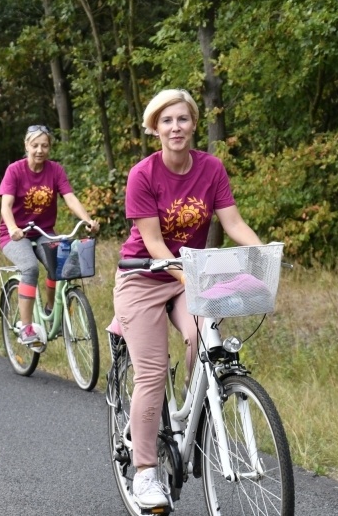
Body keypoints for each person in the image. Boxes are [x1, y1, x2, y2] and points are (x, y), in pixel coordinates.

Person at [112, 89, 263, 509]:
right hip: (144, 275)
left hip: (188, 276)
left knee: (205, 340)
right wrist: (190, 276)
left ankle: (190, 415)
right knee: (152, 372)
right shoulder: (142, 174)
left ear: (194, 123)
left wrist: (262, 256)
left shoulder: (211, 168)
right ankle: (144, 472)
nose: (175, 127)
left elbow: (233, 223)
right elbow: (155, 244)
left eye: (182, 119)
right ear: (154, 128)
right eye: (166, 121)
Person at [0, 125, 99, 351]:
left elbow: (70, 198)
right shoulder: (15, 170)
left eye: (44, 145)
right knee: (30, 269)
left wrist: (87, 220)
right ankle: (26, 328)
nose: (40, 150)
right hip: (14, 235)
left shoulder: (55, 170)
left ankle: (51, 310)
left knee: (62, 265)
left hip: (43, 232)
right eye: (35, 145)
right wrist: (13, 227)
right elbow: (6, 205)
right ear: (26, 146)